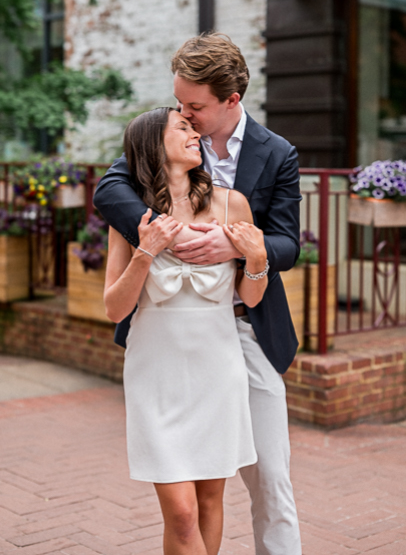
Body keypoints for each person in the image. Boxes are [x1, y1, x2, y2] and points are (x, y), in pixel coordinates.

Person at [94, 33, 303, 555]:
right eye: (180, 105)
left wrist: (240, 251)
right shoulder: (159, 147)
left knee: (270, 474)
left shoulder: (275, 155)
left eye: (194, 107)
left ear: (231, 100)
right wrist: (170, 236)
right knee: (185, 507)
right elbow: (110, 191)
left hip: (242, 326)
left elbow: (287, 242)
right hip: (163, 338)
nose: (184, 116)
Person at [104, 106, 268, 554]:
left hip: (217, 367)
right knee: (181, 513)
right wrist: (145, 252)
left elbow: (250, 298)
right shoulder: (134, 217)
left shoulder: (231, 203)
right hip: (156, 372)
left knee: (210, 500)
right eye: (183, 127)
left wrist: (256, 259)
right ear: (154, 145)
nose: (195, 133)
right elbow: (114, 308)